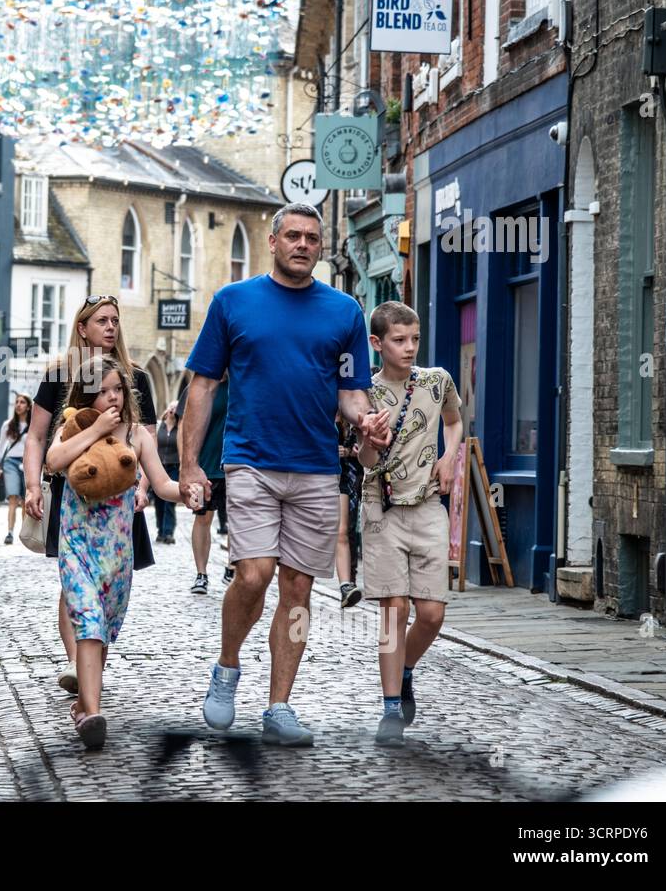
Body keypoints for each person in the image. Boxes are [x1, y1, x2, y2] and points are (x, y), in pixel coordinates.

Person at [180, 202, 391, 747]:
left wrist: (365, 420)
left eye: (312, 238)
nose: (303, 244)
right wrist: (187, 464)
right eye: (293, 235)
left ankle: (280, 704)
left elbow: (350, 392)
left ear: (321, 248)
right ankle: (227, 668)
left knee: (298, 588)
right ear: (272, 242)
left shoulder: (343, 312)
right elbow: (202, 386)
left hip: (317, 468)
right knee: (253, 574)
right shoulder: (233, 302)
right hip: (250, 459)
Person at [21, 295, 159, 696]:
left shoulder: (134, 378)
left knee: (109, 586)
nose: (111, 327)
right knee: (74, 583)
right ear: (83, 327)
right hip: (71, 493)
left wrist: (144, 487)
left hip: (119, 493)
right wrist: (33, 485)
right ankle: (76, 665)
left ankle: (90, 667)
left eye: (115, 320)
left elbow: (145, 439)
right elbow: (34, 436)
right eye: (102, 320)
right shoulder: (59, 375)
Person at [45, 354, 181, 749]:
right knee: (87, 620)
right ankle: (93, 713)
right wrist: (95, 431)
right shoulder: (73, 428)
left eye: (117, 389)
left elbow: (161, 483)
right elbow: (54, 461)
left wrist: (188, 492)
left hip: (117, 555)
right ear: (87, 396)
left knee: (103, 631)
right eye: (103, 391)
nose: (112, 398)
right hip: (78, 547)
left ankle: (84, 706)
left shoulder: (137, 435)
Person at [355, 301, 463, 748]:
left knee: (432, 613)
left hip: (427, 509)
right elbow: (364, 463)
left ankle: (405, 670)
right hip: (381, 509)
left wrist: (449, 457)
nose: (409, 347)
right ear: (377, 344)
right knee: (393, 609)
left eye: (414, 339)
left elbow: (455, 422)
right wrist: (369, 440)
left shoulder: (437, 382)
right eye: (399, 340)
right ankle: (390, 709)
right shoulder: (365, 395)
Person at [178, 374, 230, 595]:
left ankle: (233, 568)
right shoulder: (197, 387)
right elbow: (183, 428)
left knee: (239, 520)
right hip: (206, 465)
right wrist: (187, 465)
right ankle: (201, 574)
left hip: (235, 463)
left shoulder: (240, 383)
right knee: (203, 518)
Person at [0, 394, 32, 546]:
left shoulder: (33, 425)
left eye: (22, 402)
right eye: (17, 402)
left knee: (25, 500)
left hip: (27, 462)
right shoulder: (8, 425)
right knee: (13, 497)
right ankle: (10, 532)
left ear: (28, 406)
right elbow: (1, 447)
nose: (18, 405)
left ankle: (25, 532)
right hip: (10, 463)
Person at [336, 413, 364, 609]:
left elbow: (361, 447)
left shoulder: (352, 411)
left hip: (347, 476)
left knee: (344, 531)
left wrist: (348, 451)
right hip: (320, 474)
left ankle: (347, 583)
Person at [154, 402, 180, 544]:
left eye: (176, 408)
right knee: (159, 500)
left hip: (174, 466)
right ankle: (160, 530)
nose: (172, 409)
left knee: (170, 500)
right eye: (171, 406)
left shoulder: (180, 427)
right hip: (159, 466)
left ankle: (168, 532)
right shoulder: (159, 426)